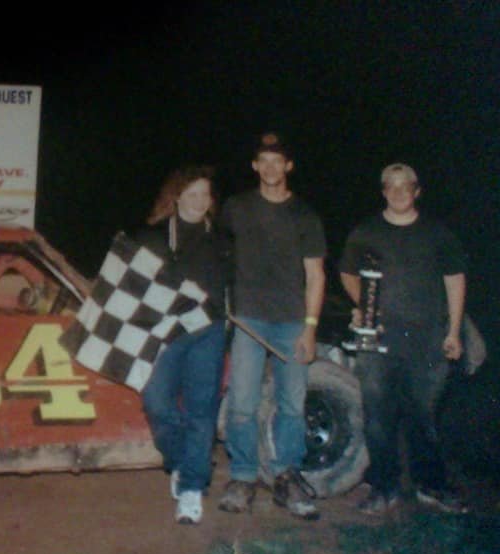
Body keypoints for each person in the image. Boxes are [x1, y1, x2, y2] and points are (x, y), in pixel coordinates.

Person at [339, 163, 468, 515]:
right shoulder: (366, 231)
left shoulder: (438, 233)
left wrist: (454, 331)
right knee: (377, 416)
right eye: (391, 187)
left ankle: (431, 485)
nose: (398, 192)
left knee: (423, 416)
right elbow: (347, 273)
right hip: (378, 340)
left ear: (417, 191)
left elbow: (455, 280)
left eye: (405, 186)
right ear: (383, 192)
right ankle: (384, 486)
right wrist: (364, 307)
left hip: (427, 340)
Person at [216, 132, 326, 520]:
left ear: (289, 166)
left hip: (292, 322)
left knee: (292, 406)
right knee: (242, 402)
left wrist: (310, 327)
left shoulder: (305, 215)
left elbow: (316, 275)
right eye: (264, 160)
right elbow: (215, 250)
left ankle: (285, 477)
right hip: (247, 319)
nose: (270, 167)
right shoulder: (236, 207)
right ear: (254, 165)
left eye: (278, 160)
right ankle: (244, 477)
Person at [136, 166, 230, 524]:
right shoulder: (155, 236)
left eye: (205, 194)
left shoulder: (222, 239)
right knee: (155, 402)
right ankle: (181, 460)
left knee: (201, 410)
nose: (198, 201)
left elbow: (231, 285)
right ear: (176, 196)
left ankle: (192, 488)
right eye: (191, 193)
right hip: (165, 333)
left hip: (208, 332)